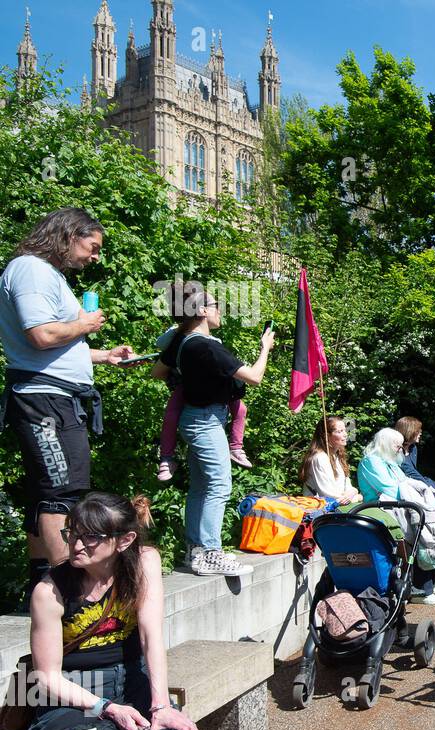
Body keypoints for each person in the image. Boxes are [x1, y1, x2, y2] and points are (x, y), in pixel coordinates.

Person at [25, 492, 273, 730]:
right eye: (71, 532)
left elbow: (150, 634)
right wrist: (107, 708)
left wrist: (161, 705)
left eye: (89, 537)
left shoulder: (144, 561)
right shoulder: (50, 590)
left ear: (123, 540)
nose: (75, 545)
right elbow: (46, 677)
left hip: (131, 674)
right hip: (73, 688)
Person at [0, 208, 136, 604]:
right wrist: (86, 324)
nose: (94, 257)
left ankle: (42, 590)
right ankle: (67, 594)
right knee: (61, 493)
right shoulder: (31, 270)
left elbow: (54, 344)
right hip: (45, 400)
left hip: (56, 396)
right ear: (68, 235)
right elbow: (41, 334)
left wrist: (102, 355)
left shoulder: (46, 274)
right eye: (92, 247)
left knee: (48, 493)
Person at [152, 281, 274, 577]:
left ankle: (195, 551)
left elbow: (157, 372)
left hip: (194, 418)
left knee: (201, 487)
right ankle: (210, 552)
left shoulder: (181, 342)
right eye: (217, 306)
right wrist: (265, 348)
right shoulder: (206, 347)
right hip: (206, 421)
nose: (221, 312)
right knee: (219, 485)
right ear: (203, 311)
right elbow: (254, 377)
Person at [358, 427, 435, 605]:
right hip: (380, 509)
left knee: (429, 523)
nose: (400, 450)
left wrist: (425, 490)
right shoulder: (371, 461)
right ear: (385, 444)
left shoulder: (389, 461)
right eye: (397, 446)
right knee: (420, 528)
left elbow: (403, 483)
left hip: (397, 507)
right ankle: (422, 589)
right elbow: (391, 488)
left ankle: (431, 583)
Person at [155, 322, 251, 481]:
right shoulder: (182, 336)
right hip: (189, 385)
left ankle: (236, 448)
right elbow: (161, 346)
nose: (219, 312)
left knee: (241, 410)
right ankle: (167, 458)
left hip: (221, 388)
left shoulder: (213, 342)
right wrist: (178, 330)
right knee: (171, 415)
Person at [392, 416, 435, 600]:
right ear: (409, 431)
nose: (420, 434)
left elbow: (415, 473)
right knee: (426, 540)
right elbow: (408, 474)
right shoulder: (395, 451)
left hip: (420, 497)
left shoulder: (412, 449)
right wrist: (431, 485)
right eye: (418, 431)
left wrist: (430, 486)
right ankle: (424, 587)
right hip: (407, 503)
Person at [300, 415, 361, 504]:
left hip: (338, 511)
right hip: (320, 512)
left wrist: (354, 491)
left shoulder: (337, 456)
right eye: (339, 431)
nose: (345, 434)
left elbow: (348, 488)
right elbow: (329, 496)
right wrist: (357, 497)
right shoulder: (319, 458)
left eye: (344, 430)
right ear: (326, 436)